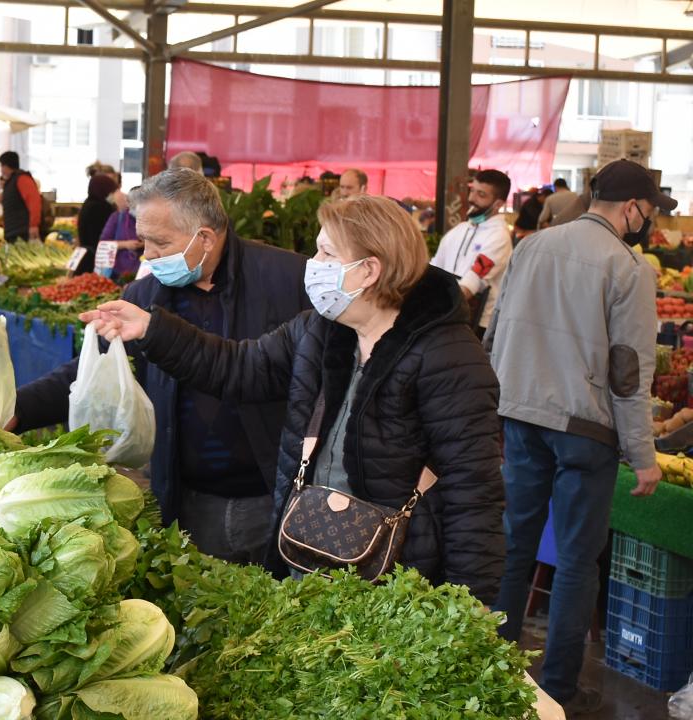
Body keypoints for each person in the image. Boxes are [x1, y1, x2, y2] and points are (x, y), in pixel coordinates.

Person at [79, 192, 506, 594]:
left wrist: (470, 599)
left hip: (397, 576)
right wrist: (153, 329)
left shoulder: (448, 356)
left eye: (327, 254)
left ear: (369, 270)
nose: (313, 264)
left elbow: (474, 490)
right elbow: (239, 368)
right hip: (310, 554)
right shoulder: (321, 331)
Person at [14, 169, 311, 566]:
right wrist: (17, 409)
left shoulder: (288, 280)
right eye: (144, 241)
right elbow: (89, 373)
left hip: (270, 495)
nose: (147, 255)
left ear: (204, 238)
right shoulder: (145, 295)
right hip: (186, 499)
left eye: (159, 243)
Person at [487, 159, 674, 715]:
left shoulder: (532, 247)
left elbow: (495, 330)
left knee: (514, 543)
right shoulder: (628, 268)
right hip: (585, 431)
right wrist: (643, 456)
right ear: (633, 208)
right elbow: (628, 372)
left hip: (520, 417)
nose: (649, 220)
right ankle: (558, 689)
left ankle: (486, 665)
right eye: (650, 210)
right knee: (575, 560)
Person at [429, 169, 513, 337]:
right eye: (472, 191)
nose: (471, 198)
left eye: (481, 194)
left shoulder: (499, 237)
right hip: (444, 316)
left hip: (476, 325)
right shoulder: (458, 230)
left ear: (498, 204)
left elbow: (470, 285)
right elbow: (433, 270)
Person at [74, 173, 117, 275]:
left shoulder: (88, 202)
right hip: (97, 258)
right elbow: (104, 235)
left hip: (86, 255)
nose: (112, 194)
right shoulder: (101, 207)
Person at [0, 151, 42, 242]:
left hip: (22, 232)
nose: (1, 170)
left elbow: (34, 201)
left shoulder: (22, 179)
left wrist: (33, 225)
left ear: (6, 166)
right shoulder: (12, 181)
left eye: (1, 166)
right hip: (13, 231)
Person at [100, 189, 142, 277]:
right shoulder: (117, 217)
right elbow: (103, 244)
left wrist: (144, 244)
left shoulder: (150, 217)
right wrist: (125, 244)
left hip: (143, 272)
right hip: (118, 272)